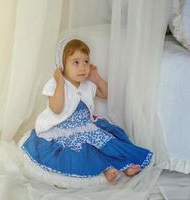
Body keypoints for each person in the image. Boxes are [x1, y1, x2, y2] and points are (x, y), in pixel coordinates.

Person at [22, 38, 153, 182]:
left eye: (86, 61)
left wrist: (97, 79)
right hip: (63, 130)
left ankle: (125, 165)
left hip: (86, 127)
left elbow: (106, 94)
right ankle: (107, 169)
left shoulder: (87, 85)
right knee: (84, 151)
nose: (83, 67)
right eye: (76, 62)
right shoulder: (56, 85)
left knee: (107, 143)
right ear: (61, 65)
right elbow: (57, 108)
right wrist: (59, 81)